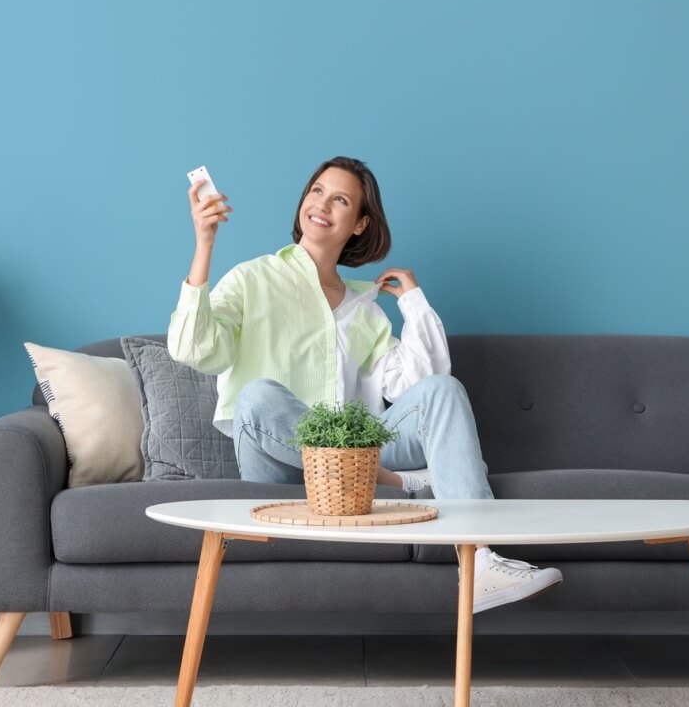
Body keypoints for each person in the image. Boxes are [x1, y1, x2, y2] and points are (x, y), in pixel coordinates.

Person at [167, 156, 562, 613]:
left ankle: (482, 563)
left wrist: (413, 303)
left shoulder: (364, 307)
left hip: (362, 462)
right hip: (280, 466)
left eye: (340, 199)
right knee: (256, 396)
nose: (322, 204)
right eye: (317, 191)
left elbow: (423, 383)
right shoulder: (253, 278)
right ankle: (396, 482)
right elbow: (193, 350)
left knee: (444, 392)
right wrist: (204, 243)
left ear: (359, 224)